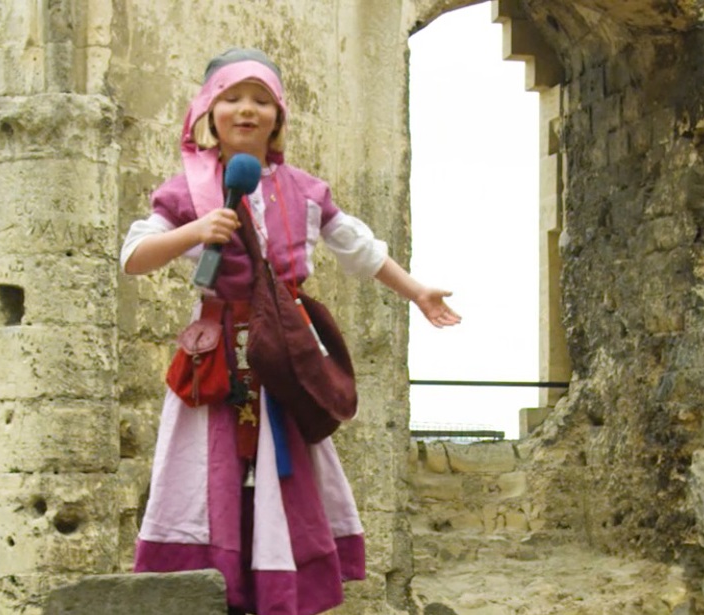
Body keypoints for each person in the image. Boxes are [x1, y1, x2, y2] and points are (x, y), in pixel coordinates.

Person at [120, 48, 460, 615]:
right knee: (206, 473)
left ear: (278, 116)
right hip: (216, 359)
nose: (246, 110)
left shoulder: (302, 189)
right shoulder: (183, 190)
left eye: (261, 100)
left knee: (289, 473)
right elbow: (134, 256)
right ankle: (215, 588)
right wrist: (197, 229)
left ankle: (279, 593)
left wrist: (416, 290)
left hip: (285, 356)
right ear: (209, 110)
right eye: (232, 98)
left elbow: (359, 248)